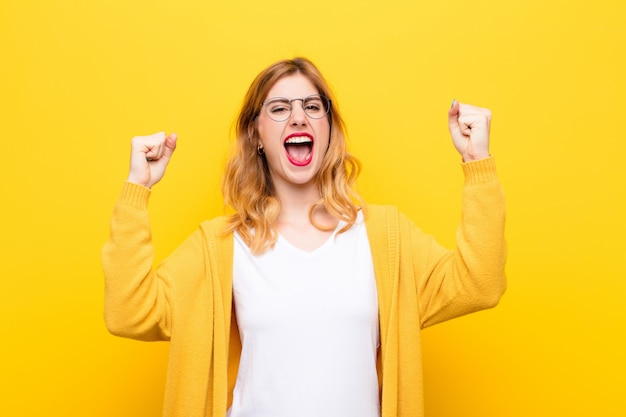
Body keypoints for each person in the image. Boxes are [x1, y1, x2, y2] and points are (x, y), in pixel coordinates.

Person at [102, 57, 506, 417]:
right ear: (256, 135)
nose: (298, 118)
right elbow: (129, 311)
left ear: (327, 129)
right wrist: (138, 187)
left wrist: (477, 162)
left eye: (312, 107)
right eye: (279, 108)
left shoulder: (383, 236)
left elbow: (479, 283)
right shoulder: (221, 247)